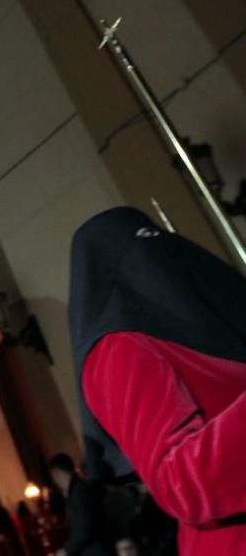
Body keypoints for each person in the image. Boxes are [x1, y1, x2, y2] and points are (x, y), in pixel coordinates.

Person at [68, 206, 246, 554]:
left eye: (156, 240)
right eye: (137, 248)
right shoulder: (118, 349)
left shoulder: (206, 332)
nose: (156, 255)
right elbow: (181, 483)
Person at [48, 453, 111, 556]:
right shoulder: (75, 492)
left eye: (54, 475)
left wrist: (66, 550)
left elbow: (84, 529)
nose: (55, 480)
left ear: (58, 473)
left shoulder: (79, 492)